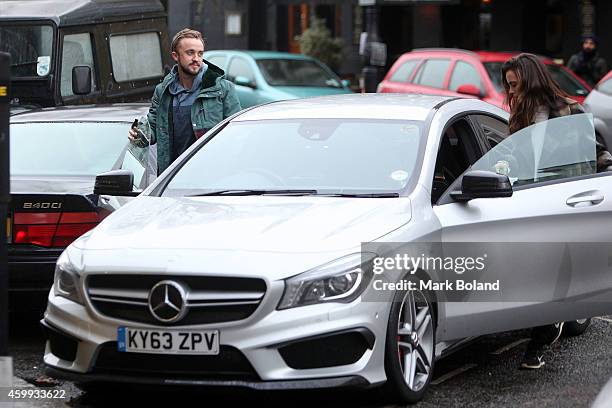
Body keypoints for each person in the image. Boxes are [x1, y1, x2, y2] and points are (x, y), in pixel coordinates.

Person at [501, 53, 612, 370]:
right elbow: (513, 155)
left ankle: (538, 342)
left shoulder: (570, 111)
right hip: (532, 204)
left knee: (556, 275)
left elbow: (598, 154)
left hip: (566, 203)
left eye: (514, 84)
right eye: (508, 86)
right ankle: (546, 327)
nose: (510, 92)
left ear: (531, 80)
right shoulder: (519, 116)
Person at [129, 28, 241, 174]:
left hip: (212, 174)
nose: (196, 58)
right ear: (176, 56)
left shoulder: (222, 89)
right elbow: (152, 128)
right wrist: (138, 134)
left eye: (200, 53)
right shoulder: (163, 91)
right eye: (190, 52)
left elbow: (237, 133)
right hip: (171, 177)